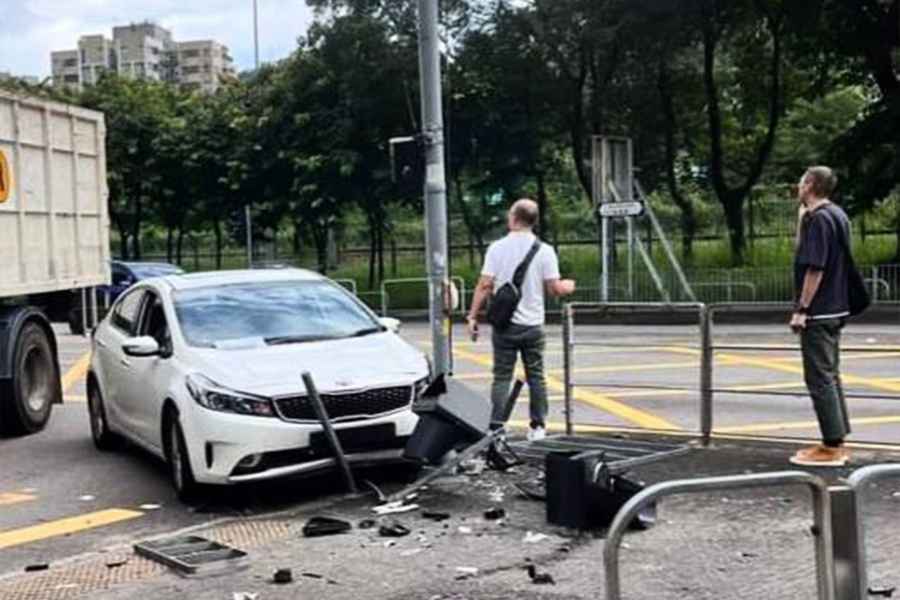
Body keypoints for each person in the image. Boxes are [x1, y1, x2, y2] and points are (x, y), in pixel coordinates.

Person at [466, 199, 576, 441]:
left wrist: (473, 315)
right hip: (533, 326)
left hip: (504, 326)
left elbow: (484, 285)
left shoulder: (497, 248)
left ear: (514, 218)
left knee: (501, 376)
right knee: (536, 375)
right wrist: (568, 286)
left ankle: (497, 428)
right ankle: (537, 427)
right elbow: (554, 289)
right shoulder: (544, 250)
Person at [789, 166, 852, 467]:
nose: (798, 187)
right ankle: (837, 436)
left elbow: (815, 266)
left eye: (801, 182)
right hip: (838, 305)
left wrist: (802, 309)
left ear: (811, 185)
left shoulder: (818, 220)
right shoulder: (837, 214)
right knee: (830, 374)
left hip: (820, 309)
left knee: (818, 377)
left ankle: (832, 446)